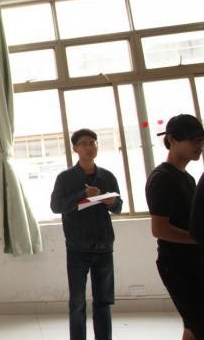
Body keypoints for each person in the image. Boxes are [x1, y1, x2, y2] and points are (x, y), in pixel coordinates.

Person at [50, 128, 122, 340]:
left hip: (104, 246)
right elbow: (56, 206)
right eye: (84, 143)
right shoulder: (65, 178)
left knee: (103, 302)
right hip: (77, 248)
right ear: (75, 148)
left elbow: (118, 207)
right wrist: (83, 194)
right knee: (77, 303)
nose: (89, 147)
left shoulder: (107, 176)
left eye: (93, 143)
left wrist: (112, 202)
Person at [146, 114, 204, 340]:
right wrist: (198, 238)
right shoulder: (163, 178)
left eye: (201, 141)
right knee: (198, 324)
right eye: (193, 140)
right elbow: (159, 229)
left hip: (193, 261)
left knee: (194, 326)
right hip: (178, 265)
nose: (199, 146)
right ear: (172, 140)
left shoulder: (187, 178)